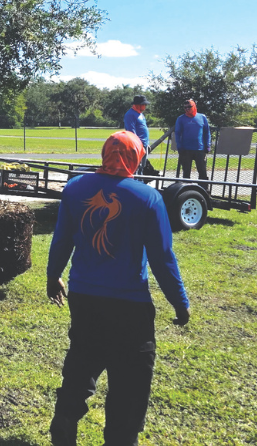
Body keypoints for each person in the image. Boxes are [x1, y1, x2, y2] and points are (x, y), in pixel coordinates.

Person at [46, 130, 190, 446]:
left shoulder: (74, 189)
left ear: (103, 153)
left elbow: (62, 240)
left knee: (82, 360)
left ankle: (65, 421)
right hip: (130, 306)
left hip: (84, 297)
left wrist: (52, 275)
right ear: (137, 158)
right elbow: (162, 258)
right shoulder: (148, 198)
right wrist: (180, 303)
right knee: (131, 382)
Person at [174, 99, 210, 181]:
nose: (187, 109)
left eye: (189, 107)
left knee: (202, 172)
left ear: (194, 106)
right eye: (185, 107)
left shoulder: (202, 117)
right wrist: (179, 146)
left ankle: (204, 190)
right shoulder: (181, 119)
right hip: (186, 150)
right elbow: (177, 133)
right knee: (186, 172)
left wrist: (207, 145)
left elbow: (207, 132)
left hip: (200, 149)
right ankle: (186, 190)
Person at [123, 95, 150, 175]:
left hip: (144, 145)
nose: (145, 106)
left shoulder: (141, 114)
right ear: (138, 105)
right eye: (144, 104)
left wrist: (146, 144)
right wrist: (138, 145)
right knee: (136, 168)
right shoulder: (130, 114)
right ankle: (136, 184)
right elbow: (131, 132)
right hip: (137, 146)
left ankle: (140, 183)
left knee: (142, 167)